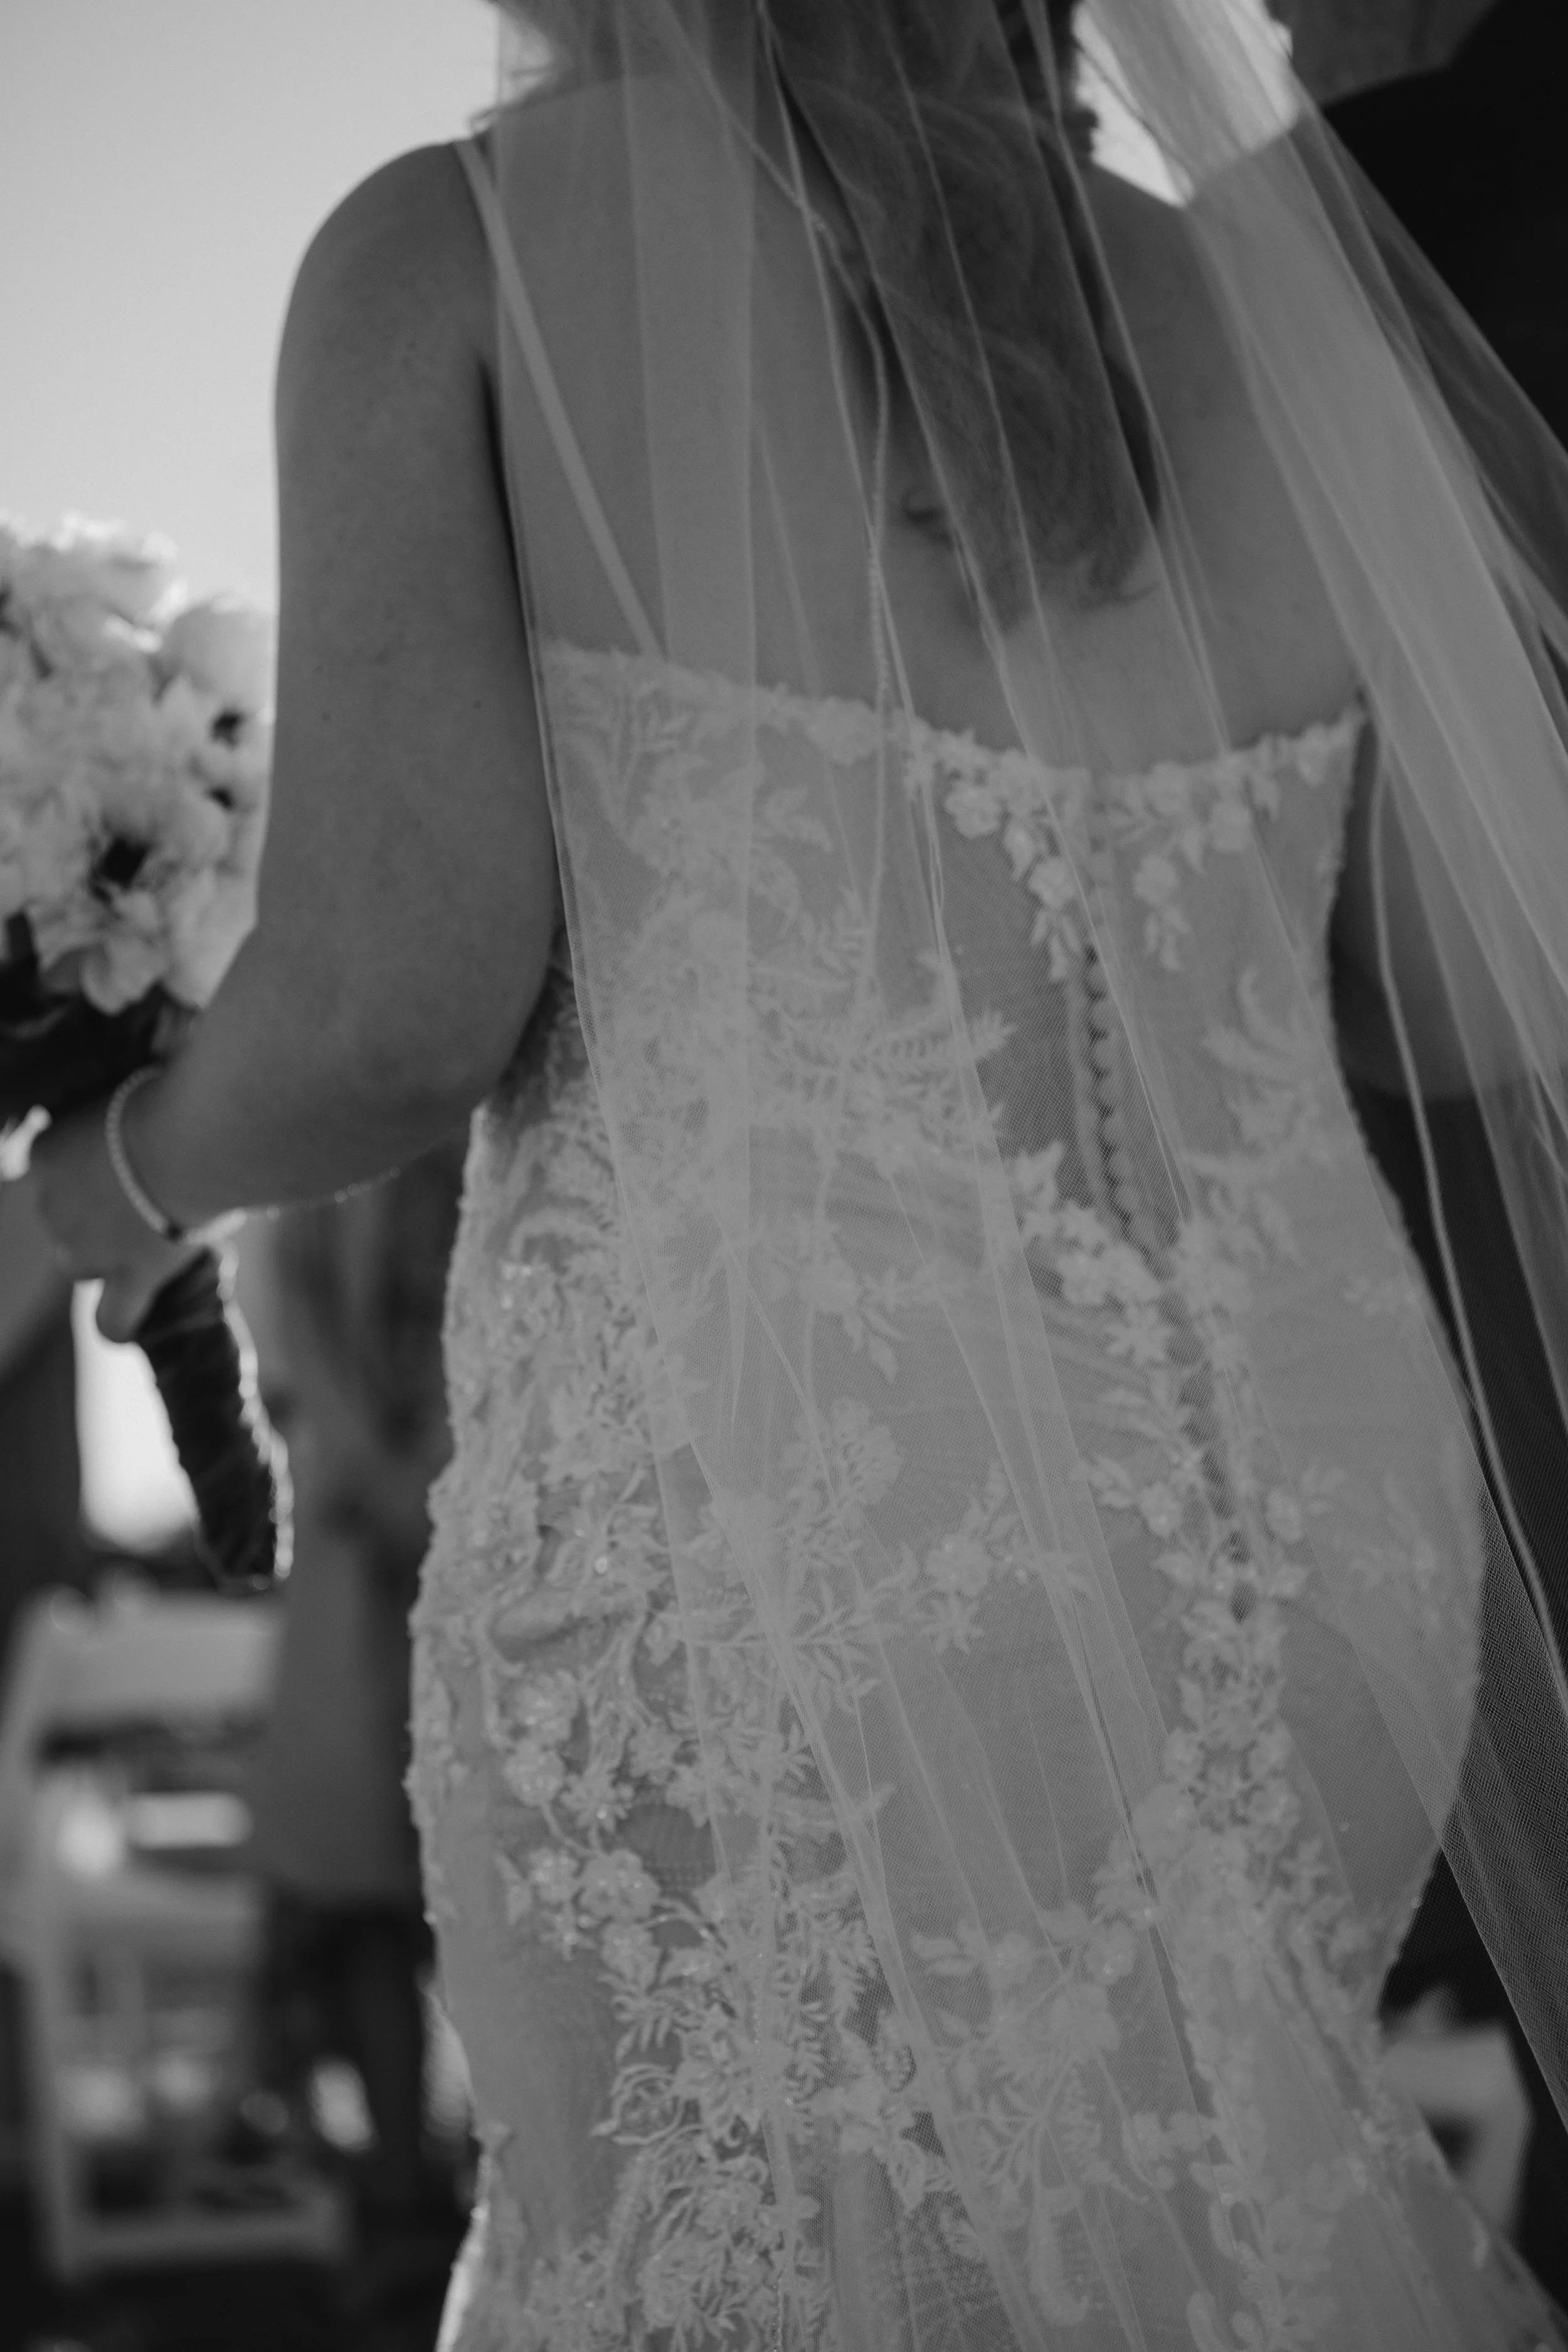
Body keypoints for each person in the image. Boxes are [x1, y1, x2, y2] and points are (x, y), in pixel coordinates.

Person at [28, 1, 1568, 2343]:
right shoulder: (1272, 322)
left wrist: (72, 1204)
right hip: (1314, 1510)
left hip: (796, 1519)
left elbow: (394, 1002)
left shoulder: (454, 256)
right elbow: (1458, 1001)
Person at [235, 1144, 466, 2291]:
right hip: (353, 1548)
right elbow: (285, 1313)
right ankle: (397, 2186)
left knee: (495, 1872)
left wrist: (436, 1485)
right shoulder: (323, 1161)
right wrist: (364, 1469)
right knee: (366, 1889)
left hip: (485, 1525)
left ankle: (495, 2170)